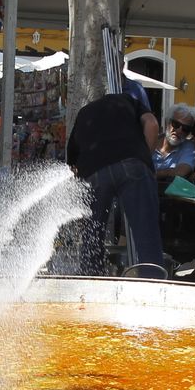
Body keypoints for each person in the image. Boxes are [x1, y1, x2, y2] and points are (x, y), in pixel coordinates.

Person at [66, 92, 164, 275]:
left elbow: (73, 164)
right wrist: (144, 159)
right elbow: (151, 124)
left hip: (93, 171)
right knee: (146, 235)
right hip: (132, 163)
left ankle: (90, 284)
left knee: (91, 237)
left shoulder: (84, 113)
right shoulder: (129, 100)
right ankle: (154, 287)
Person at [153, 107, 195, 183]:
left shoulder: (189, 147)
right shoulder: (151, 141)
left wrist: (153, 174)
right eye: (176, 124)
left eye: (185, 129)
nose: (179, 131)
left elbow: (181, 172)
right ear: (167, 122)